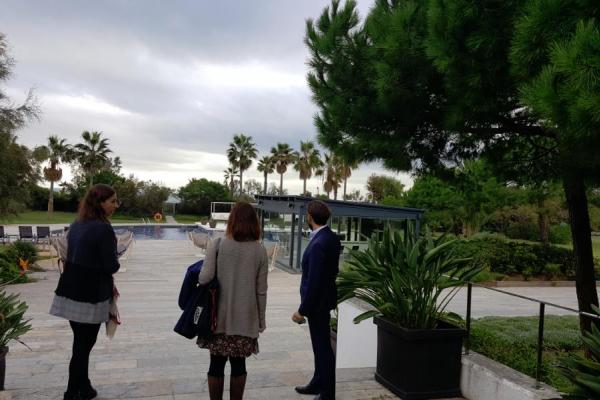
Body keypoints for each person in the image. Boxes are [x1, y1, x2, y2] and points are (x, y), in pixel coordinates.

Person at [49, 184, 121, 400]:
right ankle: (71, 392)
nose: (116, 205)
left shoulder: (77, 224)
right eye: (112, 201)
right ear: (100, 203)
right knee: (83, 346)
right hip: (91, 294)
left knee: (80, 343)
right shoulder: (103, 228)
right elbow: (111, 266)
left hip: (71, 290)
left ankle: (85, 387)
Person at [198, 201, 268, 400]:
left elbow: (204, 278)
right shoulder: (260, 250)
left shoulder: (218, 244)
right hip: (245, 320)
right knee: (239, 366)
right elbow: (261, 291)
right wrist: (261, 320)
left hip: (217, 319)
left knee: (215, 364)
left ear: (232, 221)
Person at [292, 200, 341, 400]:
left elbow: (314, 281)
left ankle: (327, 394)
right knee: (319, 346)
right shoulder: (330, 237)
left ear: (310, 217)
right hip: (324, 300)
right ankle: (318, 383)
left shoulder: (319, 242)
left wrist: (302, 310)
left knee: (322, 348)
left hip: (317, 304)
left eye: (307, 214)